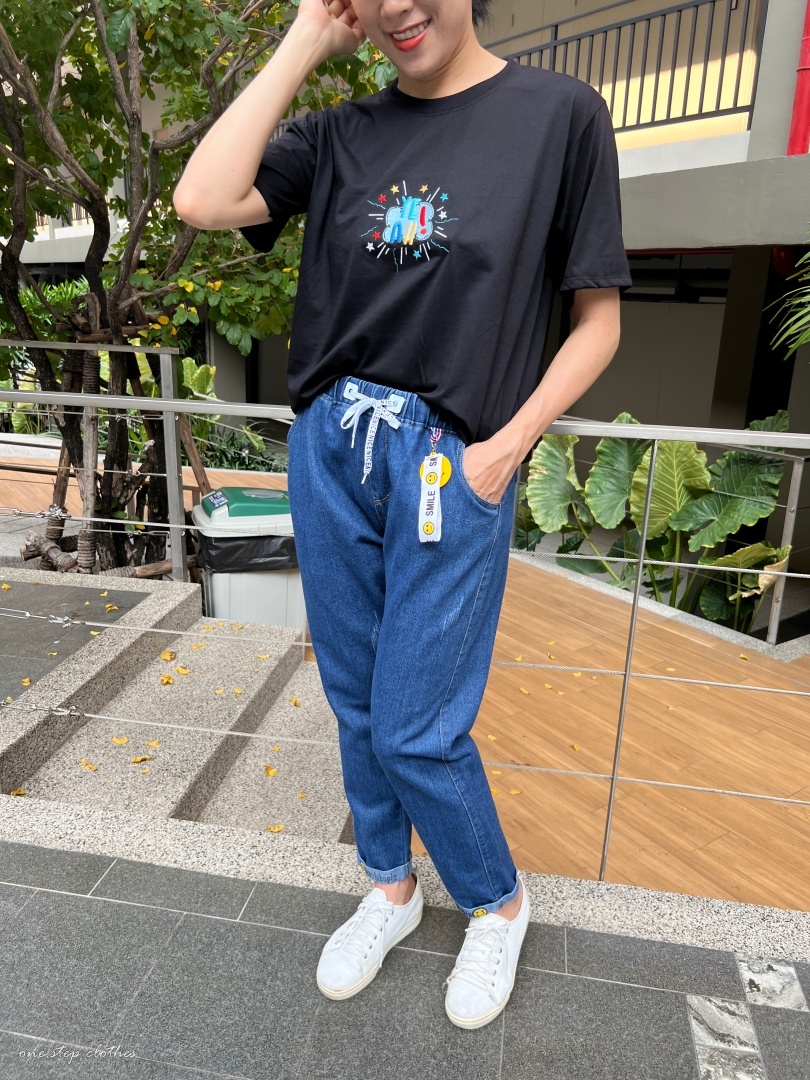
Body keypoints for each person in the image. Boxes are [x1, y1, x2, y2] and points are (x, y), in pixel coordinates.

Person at [174, 0, 632, 1030]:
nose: (395, 9)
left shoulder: (559, 116)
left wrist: (505, 450)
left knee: (419, 725)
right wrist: (306, 37)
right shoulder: (339, 134)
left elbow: (598, 321)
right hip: (331, 446)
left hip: (451, 459)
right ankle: (388, 885)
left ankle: (497, 901)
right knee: (356, 701)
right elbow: (201, 199)